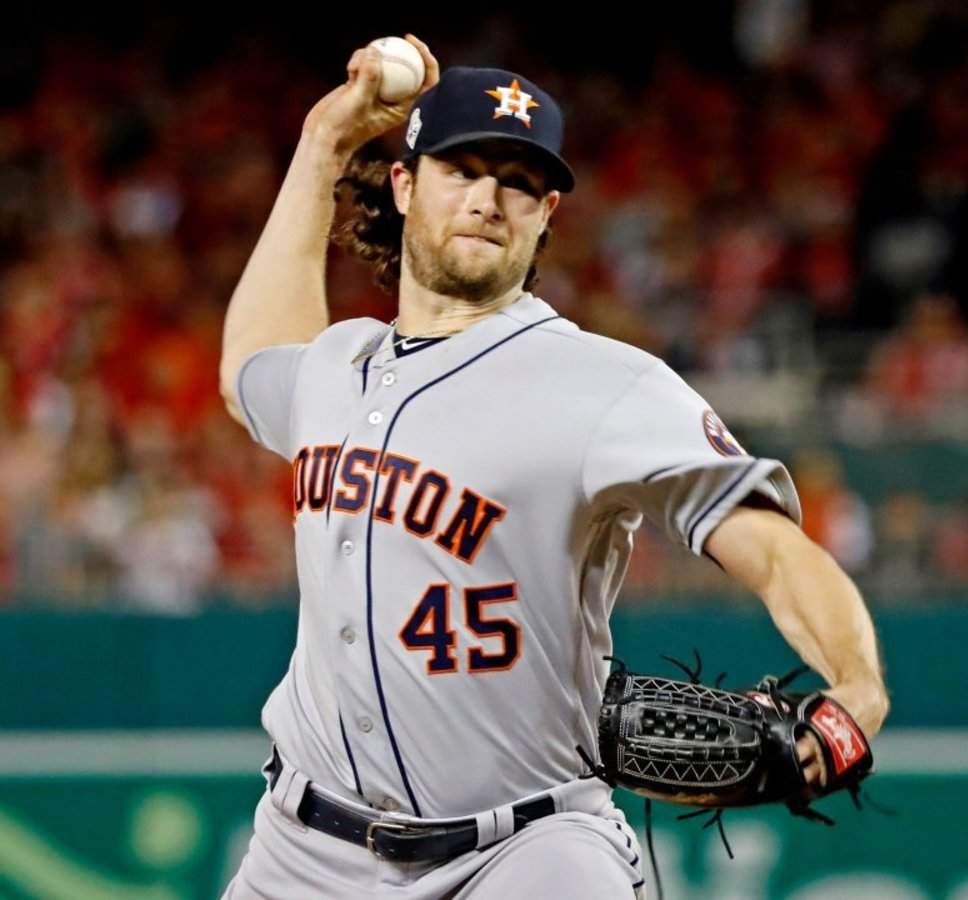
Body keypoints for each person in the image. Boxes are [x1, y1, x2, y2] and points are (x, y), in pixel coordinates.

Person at [218, 35, 889, 899]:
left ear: (545, 217)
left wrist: (859, 683)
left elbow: (767, 544)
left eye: (520, 183)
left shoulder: (604, 384)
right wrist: (323, 142)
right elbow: (251, 366)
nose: (489, 199)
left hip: (526, 848)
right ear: (405, 183)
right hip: (304, 850)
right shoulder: (336, 367)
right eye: (463, 170)